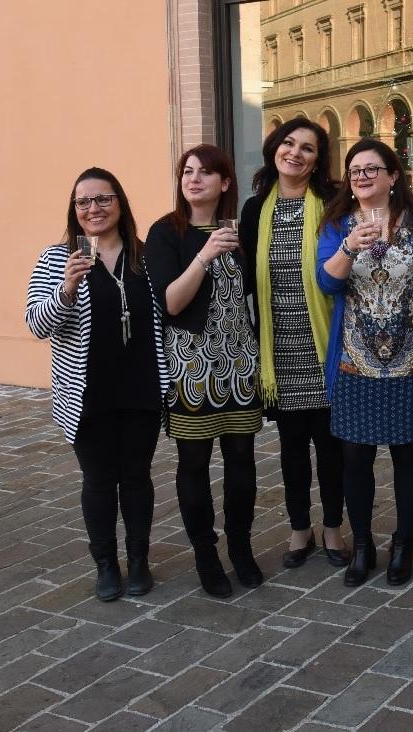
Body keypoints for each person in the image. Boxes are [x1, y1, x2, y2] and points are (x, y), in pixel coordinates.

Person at [316, 138, 413, 588]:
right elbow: (327, 283)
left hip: (412, 359)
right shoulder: (338, 225)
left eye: (372, 169)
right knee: (355, 458)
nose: (361, 176)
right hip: (355, 363)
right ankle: (363, 547)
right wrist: (349, 247)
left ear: (393, 176)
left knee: (407, 456)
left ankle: (401, 545)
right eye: (355, 170)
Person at [25, 168, 168, 601]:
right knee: (99, 480)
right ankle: (106, 564)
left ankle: (139, 559)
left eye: (103, 199)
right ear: (74, 210)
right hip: (87, 391)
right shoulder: (55, 258)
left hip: (141, 386)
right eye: (83, 202)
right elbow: (36, 324)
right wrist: (67, 288)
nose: (93, 209)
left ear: (120, 204)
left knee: (137, 477)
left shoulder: (145, 256)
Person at [146, 144, 264, 599]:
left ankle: (241, 545)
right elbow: (172, 303)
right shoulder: (166, 233)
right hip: (192, 365)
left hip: (239, 362)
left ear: (225, 183)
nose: (194, 180)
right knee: (193, 464)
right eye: (187, 172)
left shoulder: (237, 230)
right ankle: (205, 552)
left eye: (206, 173)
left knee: (242, 462)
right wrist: (203, 256)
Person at [239, 119, 349, 571]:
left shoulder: (332, 204)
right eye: (289, 144)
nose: (296, 153)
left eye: (308, 148)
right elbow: (242, 277)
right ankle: (299, 527)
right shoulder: (253, 209)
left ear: (318, 160)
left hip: (326, 343)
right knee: (291, 448)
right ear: (274, 149)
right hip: (278, 346)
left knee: (331, 447)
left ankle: (334, 528)